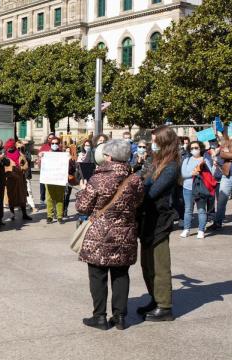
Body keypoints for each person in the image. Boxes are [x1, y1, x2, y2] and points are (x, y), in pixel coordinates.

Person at [76, 139, 145, 331]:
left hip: (99, 234)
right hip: (126, 233)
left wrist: (82, 192)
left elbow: (82, 207)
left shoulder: (98, 178)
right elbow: (139, 203)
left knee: (97, 275)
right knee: (121, 274)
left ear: (109, 156)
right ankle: (120, 317)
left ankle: (99, 317)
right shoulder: (135, 179)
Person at [137, 125, 180, 322]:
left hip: (160, 220)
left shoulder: (170, 167)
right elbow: (143, 181)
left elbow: (152, 192)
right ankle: (155, 298)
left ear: (163, 142)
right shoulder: (156, 162)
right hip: (148, 219)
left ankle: (164, 306)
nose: (151, 144)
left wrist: (135, 191)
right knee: (147, 264)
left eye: (155, 141)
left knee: (160, 264)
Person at [209, 125, 232, 234]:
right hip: (226, 176)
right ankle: (218, 222)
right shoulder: (228, 143)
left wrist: (230, 156)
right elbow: (222, 154)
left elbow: (227, 155)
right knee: (221, 200)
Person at [180, 141, 213, 239]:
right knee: (188, 210)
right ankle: (186, 229)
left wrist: (200, 172)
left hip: (200, 188)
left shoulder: (205, 160)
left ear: (200, 148)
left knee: (201, 210)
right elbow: (184, 174)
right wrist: (192, 173)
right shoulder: (187, 160)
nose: (194, 150)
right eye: (192, 148)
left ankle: (201, 230)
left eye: (196, 148)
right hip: (187, 188)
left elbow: (210, 174)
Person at [3, 138, 32, 221]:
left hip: (20, 178)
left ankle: (24, 214)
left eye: (11, 147)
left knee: (22, 196)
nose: (10, 148)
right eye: (8, 147)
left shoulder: (20, 153)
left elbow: (26, 164)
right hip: (10, 178)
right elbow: (3, 166)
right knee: (11, 196)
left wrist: (22, 168)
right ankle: (12, 214)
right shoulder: (5, 155)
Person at [44, 137, 66, 224]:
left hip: (59, 179)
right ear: (50, 144)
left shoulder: (63, 155)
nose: (54, 145)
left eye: (56, 143)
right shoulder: (46, 154)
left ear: (59, 144)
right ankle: (50, 216)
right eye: (52, 143)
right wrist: (40, 156)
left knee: (59, 198)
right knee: (49, 198)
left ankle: (59, 216)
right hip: (49, 179)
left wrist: (69, 158)